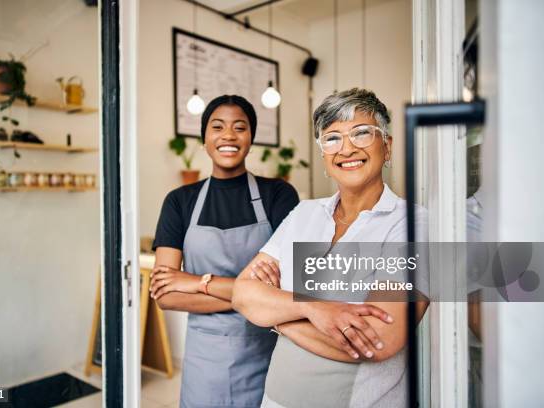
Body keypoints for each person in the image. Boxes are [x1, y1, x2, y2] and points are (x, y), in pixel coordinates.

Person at [232, 88, 429, 408]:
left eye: (362, 133)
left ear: (387, 146)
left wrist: (277, 316)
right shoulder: (304, 214)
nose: (347, 148)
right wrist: (314, 308)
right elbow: (243, 293)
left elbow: (378, 339)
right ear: (324, 154)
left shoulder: (413, 225)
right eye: (332, 138)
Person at [151, 95, 300, 408]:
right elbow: (165, 294)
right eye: (217, 127)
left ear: (251, 137)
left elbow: (291, 287)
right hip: (205, 364)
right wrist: (255, 296)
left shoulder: (279, 195)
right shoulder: (179, 201)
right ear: (205, 137)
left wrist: (196, 282)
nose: (229, 135)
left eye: (240, 127)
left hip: (268, 353)